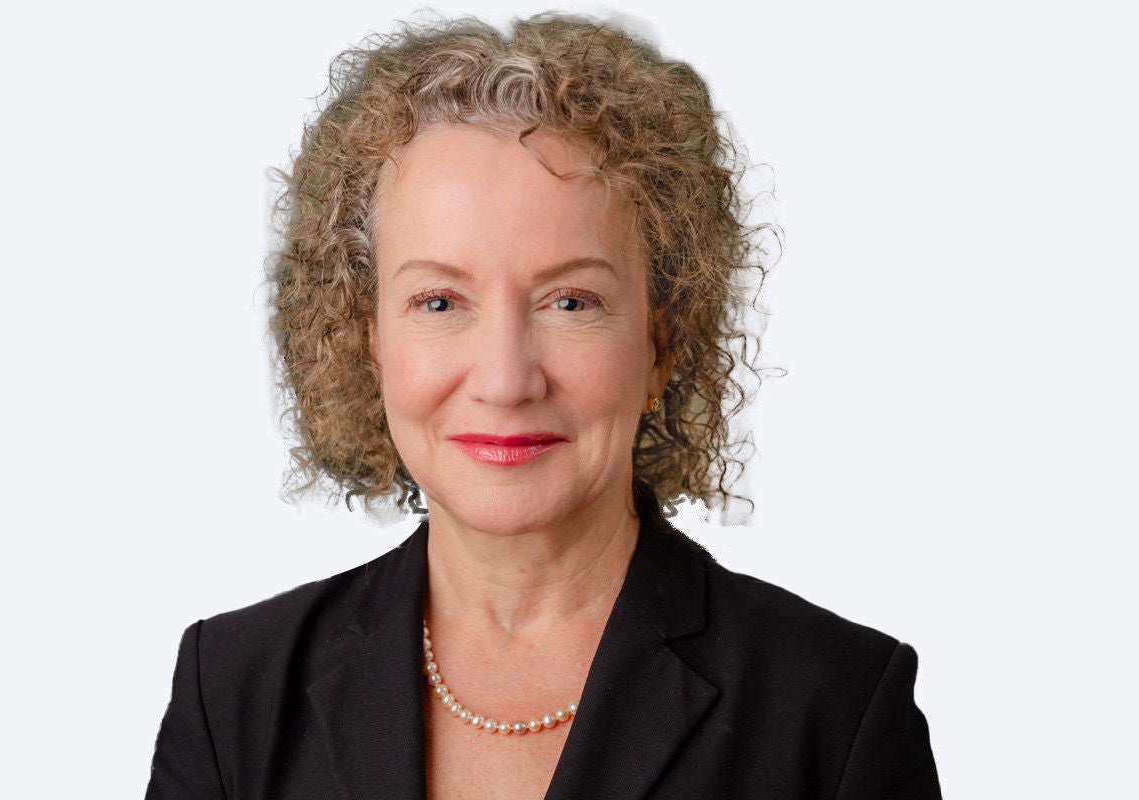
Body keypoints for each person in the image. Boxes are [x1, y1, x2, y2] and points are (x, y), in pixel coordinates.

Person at [145, 15, 941, 799]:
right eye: (438, 302)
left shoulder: (835, 712)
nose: (505, 379)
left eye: (570, 302)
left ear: (661, 344)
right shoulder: (232, 696)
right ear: (369, 341)